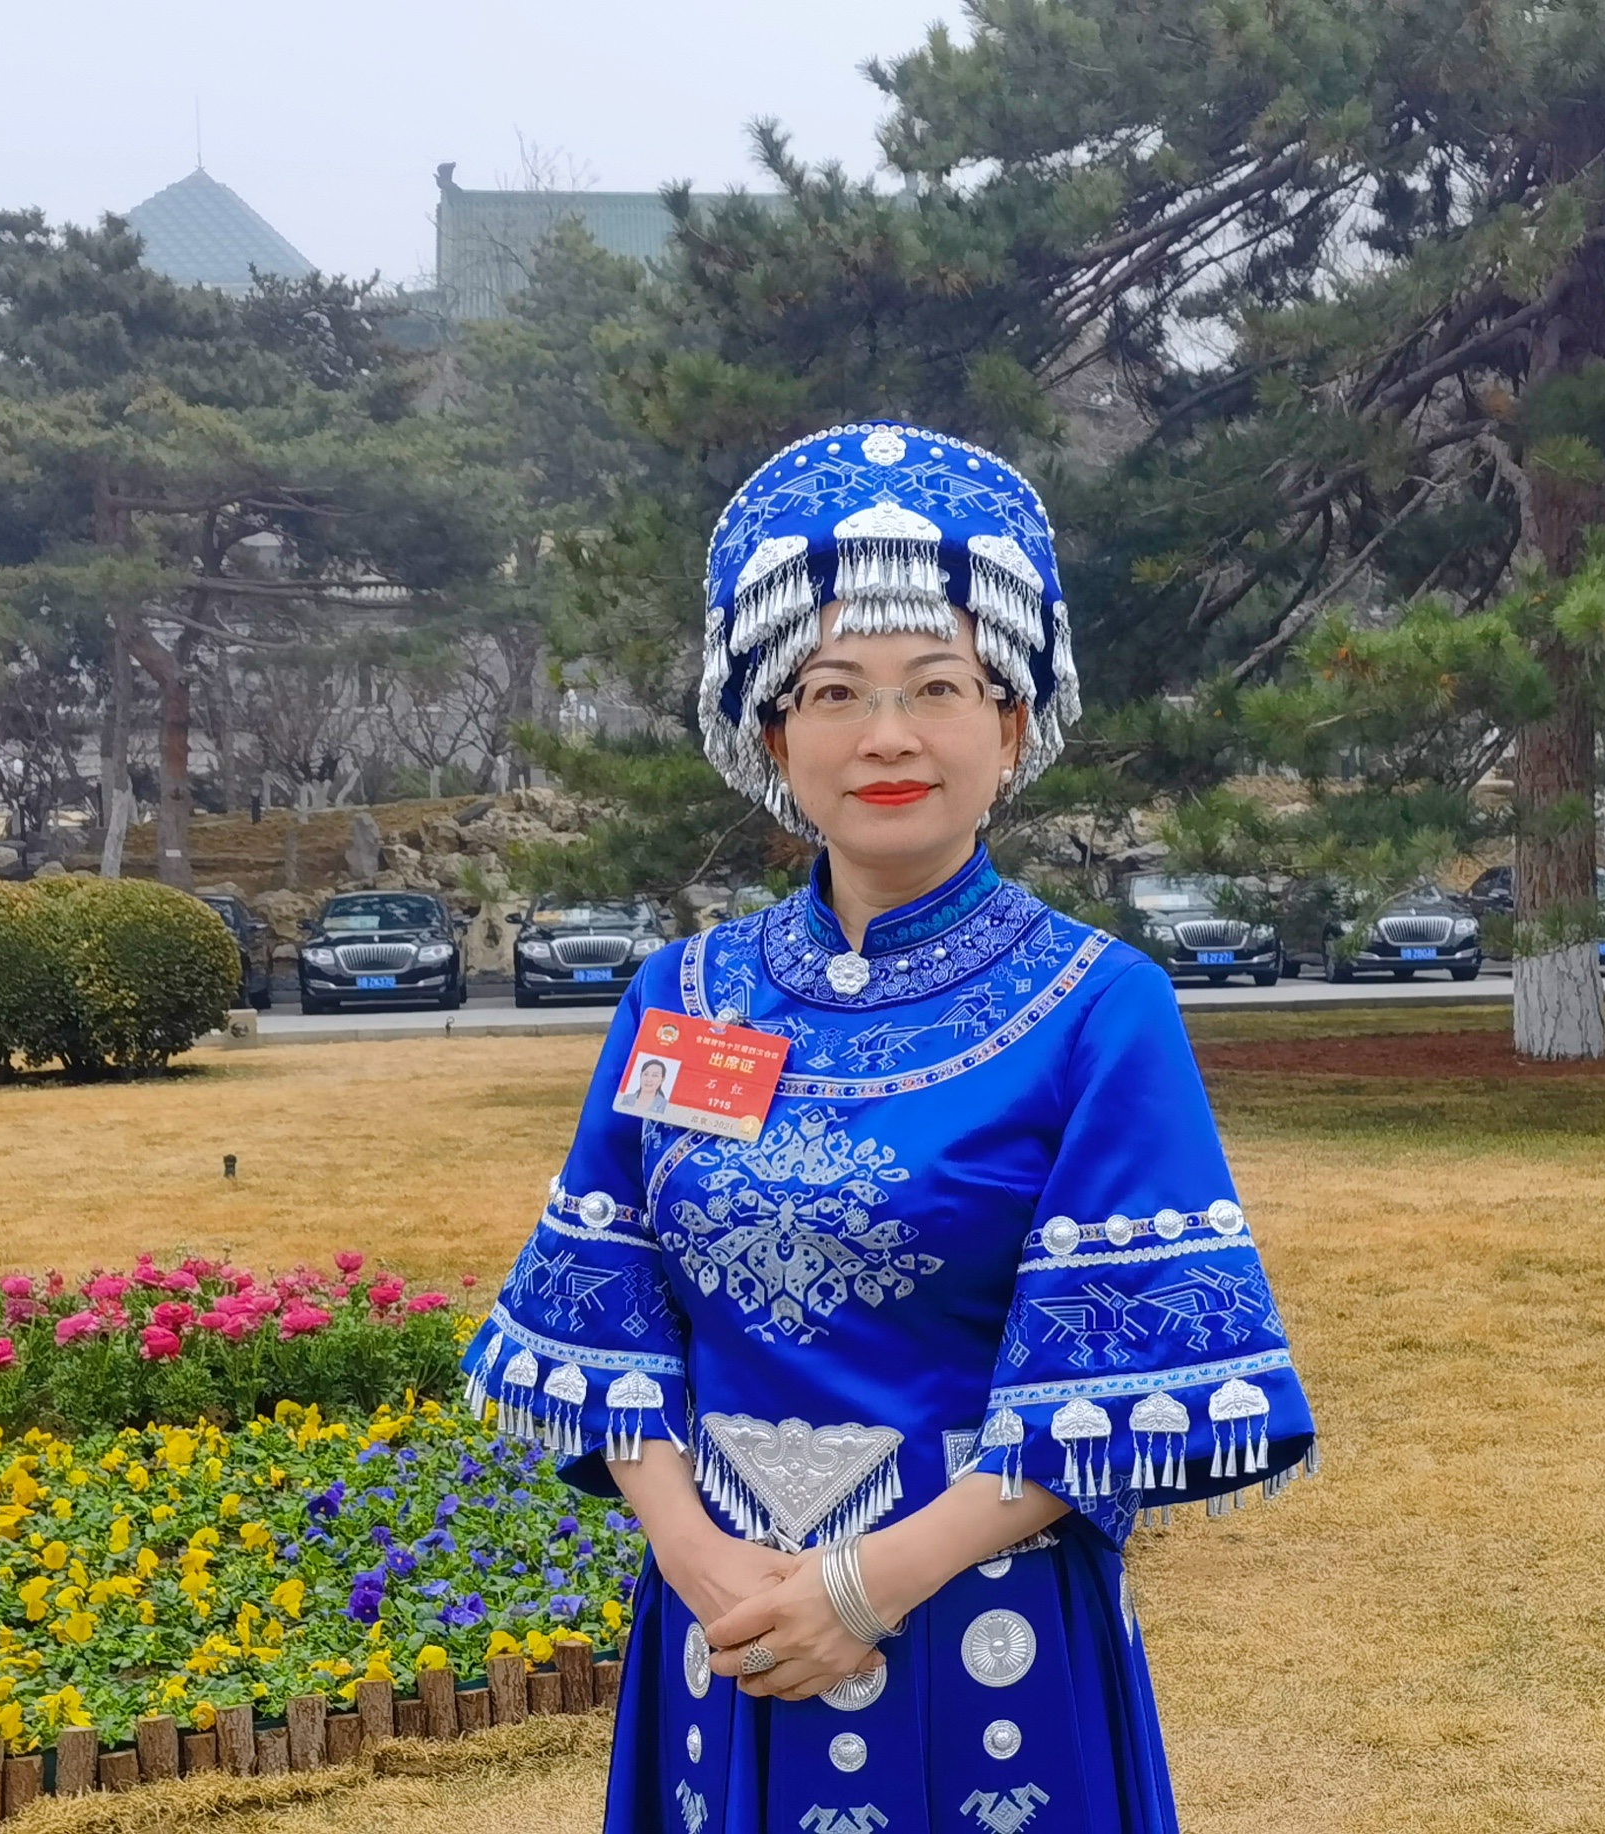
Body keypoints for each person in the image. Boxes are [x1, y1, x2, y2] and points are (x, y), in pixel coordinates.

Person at [463, 421, 1316, 1833]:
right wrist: (699, 1558)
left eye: (939, 686)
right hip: (721, 1629)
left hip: (980, 1631)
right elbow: (609, 1317)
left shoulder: (1098, 1006)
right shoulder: (685, 998)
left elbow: (1117, 1375)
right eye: (834, 692)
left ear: (1013, 726)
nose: (889, 735)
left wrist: (860, 1588)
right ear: (773, 734)